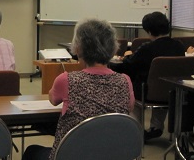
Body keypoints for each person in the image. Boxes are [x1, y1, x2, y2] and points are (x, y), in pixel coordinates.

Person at [22, 18, 134, 160]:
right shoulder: (125, 80)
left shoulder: (66, 80)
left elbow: (52, 99)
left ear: (78, 48)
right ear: (112, 47)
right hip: (111, 154)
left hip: (72, 154)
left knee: (32, 151)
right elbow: (128, 108)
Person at [113, 11, 185, 140]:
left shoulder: (147, 48)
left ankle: (135, 129)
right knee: (161, 85)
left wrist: (119, 60)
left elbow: (128, 67)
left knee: (135, 85)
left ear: (149, 31)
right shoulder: (179, 46)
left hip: (147, 93)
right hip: (173, 93)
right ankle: (156, 126)